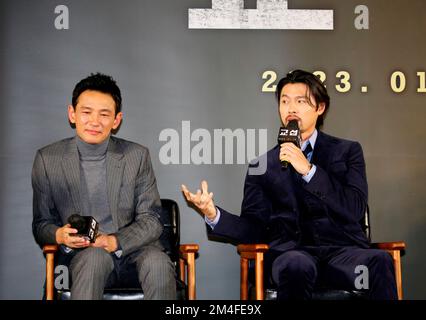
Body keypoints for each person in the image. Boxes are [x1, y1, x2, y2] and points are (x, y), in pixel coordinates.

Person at [182, 69, 397, 300]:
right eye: (284, 101)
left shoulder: (347, 151)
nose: (290, 108)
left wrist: (309, 170)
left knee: (379, 260)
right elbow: (254, 228)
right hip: (292, 255)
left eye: (300, 101)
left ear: (320, 107)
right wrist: (212, 214)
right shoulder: (262, 164)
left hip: (343, 255)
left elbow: (354, 208)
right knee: (296, 264)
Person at [32, 73, 176, 300]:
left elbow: (152, 220)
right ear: (72, 114)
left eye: (104, 114)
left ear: (116, 120)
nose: (95, 121)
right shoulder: (47, 159)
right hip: (82, 256)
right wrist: (60, 235)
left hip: (132, 249)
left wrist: (113, 241)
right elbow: (41, 224)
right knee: (94, 258)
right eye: (86, 112)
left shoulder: (136, 156)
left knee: (158, 262)